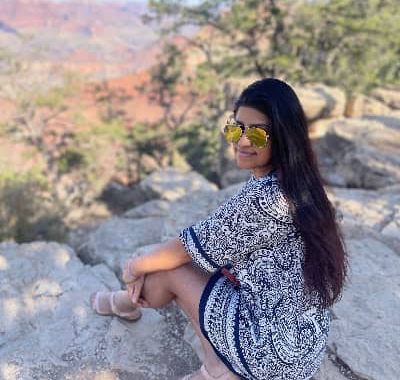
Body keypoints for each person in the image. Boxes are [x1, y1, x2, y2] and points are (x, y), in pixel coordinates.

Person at [90, 78, 347, 380]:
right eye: (237, 129)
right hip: (303, 348)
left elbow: (187, 248)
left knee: (166, 268)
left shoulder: (266, 200)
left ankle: (131, 308)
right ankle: (129, 305)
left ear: (283, 137)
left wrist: (133, 268)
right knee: (182, 263)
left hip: (269, 355)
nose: (243, 142)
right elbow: (215, 243)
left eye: (257, 134)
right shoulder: (302, 182)